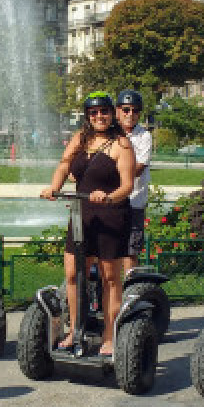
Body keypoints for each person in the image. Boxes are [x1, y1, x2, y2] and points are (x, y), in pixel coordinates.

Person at [40, 92, 135, 357]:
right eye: (93, 113)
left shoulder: (122, 145)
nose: (99, 117)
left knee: (110, 278)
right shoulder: (80, 140)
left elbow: (128, 185)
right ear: (87, 116)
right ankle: (74, 330)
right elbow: (64, 164)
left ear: (111, 114)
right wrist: (54, 186)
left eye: (104, 112)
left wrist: (109, 196)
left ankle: (109, 335)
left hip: (110, 216)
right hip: (82, 214)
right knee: (73, 274)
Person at [115, 89, 152, 274]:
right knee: (106, 249)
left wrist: (111, 178)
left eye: (135, 110)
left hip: (134, 200)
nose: (131, 114)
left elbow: (139, 167)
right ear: (117, 111)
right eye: (126, 109)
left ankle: (130, 290)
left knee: (130, 250)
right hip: (110, 200)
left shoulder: (144, 136)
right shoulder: (109, 134)